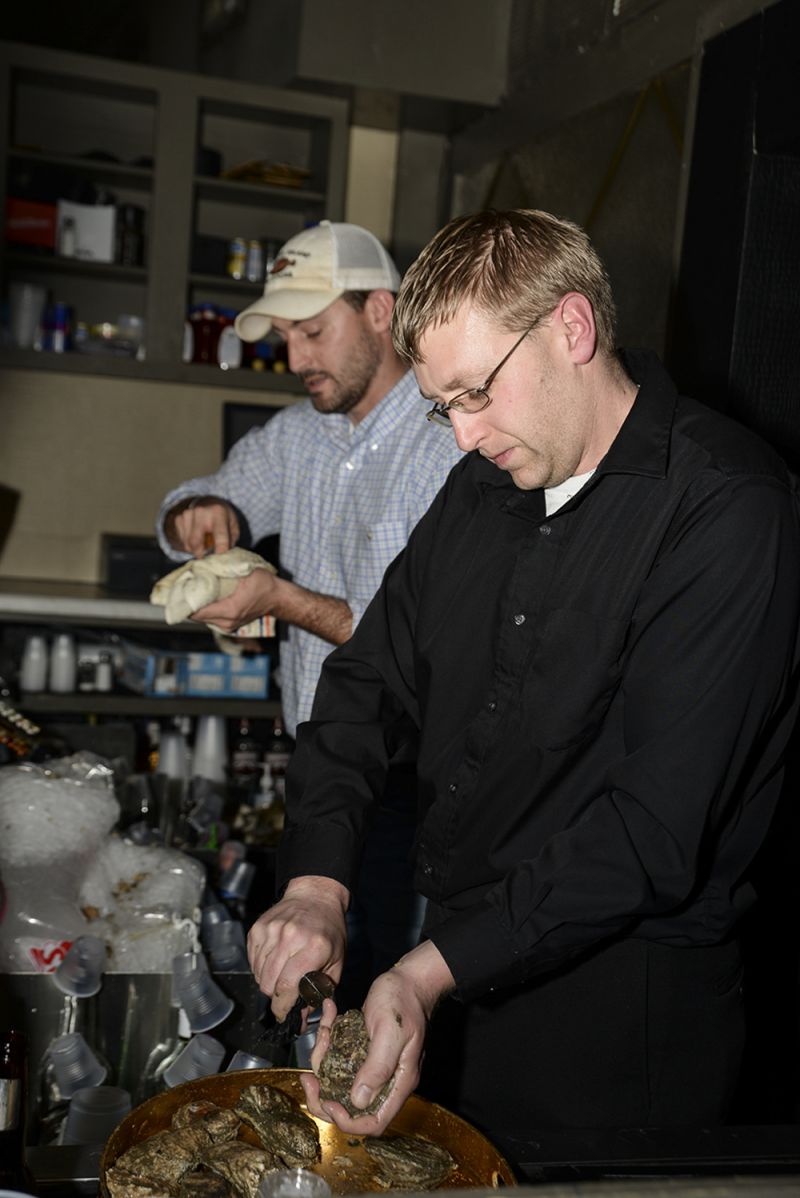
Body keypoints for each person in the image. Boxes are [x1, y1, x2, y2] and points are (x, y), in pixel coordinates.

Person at [245, 208, 800, 1152]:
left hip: (621, 1014)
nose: (461, 438)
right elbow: (369, 678)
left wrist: (427, 970)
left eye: (475, 394)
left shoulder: (728, 510)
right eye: (441, 406)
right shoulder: (485, 488)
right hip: (459, 971)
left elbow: (648, 833)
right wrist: (318, 883)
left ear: (572, 329)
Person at [156, 220, 463, 1006]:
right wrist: (203, 512)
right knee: (318, 977)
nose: (295, 360)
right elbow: (193, 500)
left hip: (420, 775)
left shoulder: (451, 441)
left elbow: (426, 645)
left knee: (399, 981)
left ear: (382, 313)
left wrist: (281, 601)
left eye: (314, 331)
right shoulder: (298, 435)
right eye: (286, 336)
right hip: (321, 761)